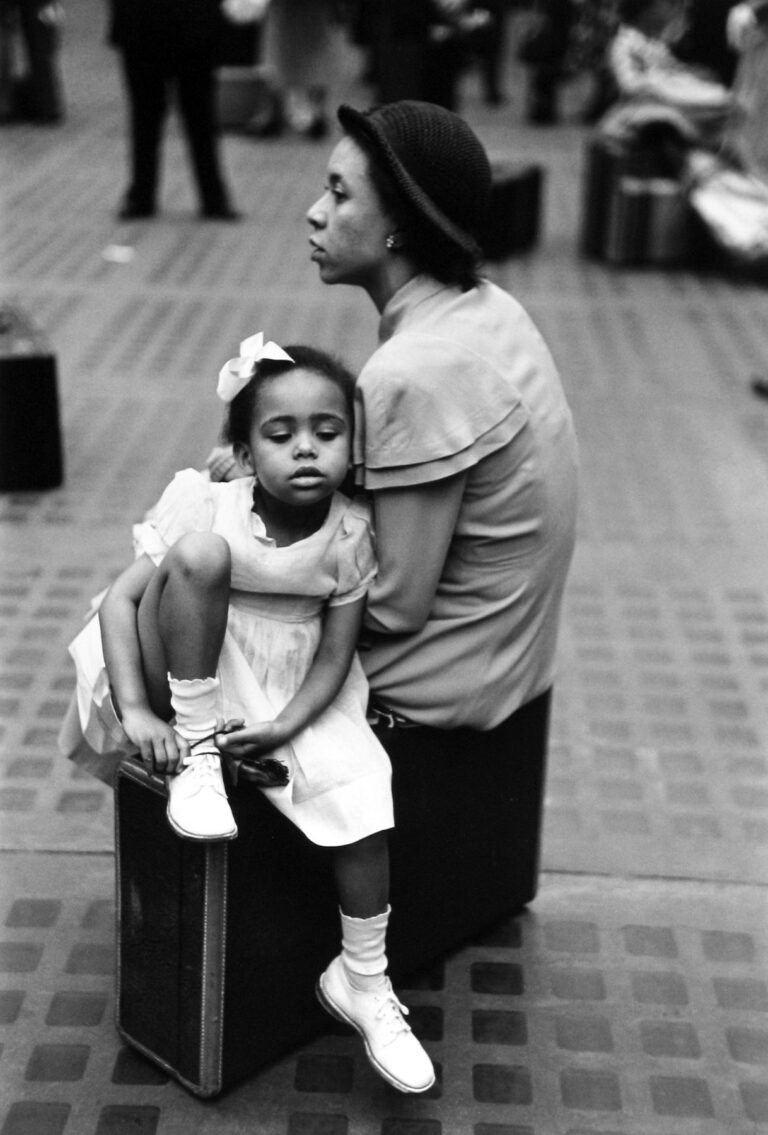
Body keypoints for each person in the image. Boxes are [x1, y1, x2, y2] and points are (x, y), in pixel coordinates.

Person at [60, 336, 435, 1096]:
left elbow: (335, 654)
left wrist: (291, 722)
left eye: (327, 433)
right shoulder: (207, 497)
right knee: (201, 555)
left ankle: (362, 977)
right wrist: (138, 708)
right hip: (180, 658)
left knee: (366, 795)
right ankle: (199, 753)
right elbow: (126, 601)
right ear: (242, 446)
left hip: (285, 683)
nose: (305, 450)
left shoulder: (353, 531)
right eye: (279, 433)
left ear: (353, 447)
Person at [302, 99, 578, 738]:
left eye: (340, 195)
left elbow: (396, 604)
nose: (316, 212)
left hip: (448, 675)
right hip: (508, 649)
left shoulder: (414, 369)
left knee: (166, 625)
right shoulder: (485, 307)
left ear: (400, 224)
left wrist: (253, 586)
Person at [107, 0, 239, 220]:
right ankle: (209, 198)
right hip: (153, 25)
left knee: (194, 116)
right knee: (156, 116)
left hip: (178, 26)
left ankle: (145, 196)